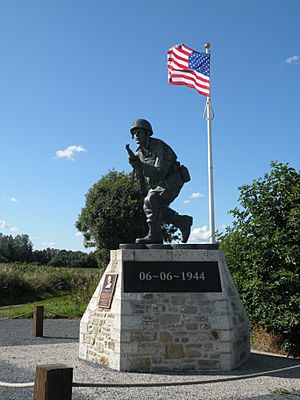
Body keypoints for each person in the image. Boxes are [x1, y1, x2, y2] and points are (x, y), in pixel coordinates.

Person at [127, 119, 193, 244]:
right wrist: (137, 168)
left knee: (153, 199)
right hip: (157, 183)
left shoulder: (159, 146)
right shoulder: (139, 152)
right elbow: (141, 174)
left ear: (147, 133)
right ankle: (181, 221)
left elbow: (160, 171)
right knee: (148, 206)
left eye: (139, 132)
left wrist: (140, 166)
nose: (136, 135)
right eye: (134, 133)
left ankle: (155, 236)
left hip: (173, 178)